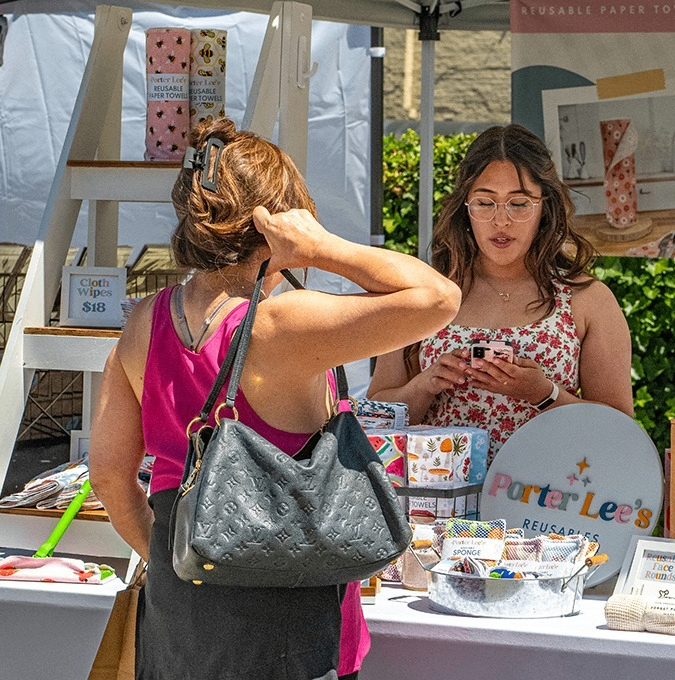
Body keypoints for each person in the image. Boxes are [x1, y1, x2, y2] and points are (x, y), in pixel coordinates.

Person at [89, 117, 461, 680]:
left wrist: (190, 553)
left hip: (179, 620)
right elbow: (438, 297)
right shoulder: (282, 322)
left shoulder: (144, 322)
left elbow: (111, 477)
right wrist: (324, 247)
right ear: (280, 221)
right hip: (288, 624)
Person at [368, 123, 633, 464]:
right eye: (485, 202)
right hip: (437, 507)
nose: (501, 221)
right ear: (465, 207)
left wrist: (545, 394)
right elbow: (376, 418)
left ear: (545, 207)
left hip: (546, 509)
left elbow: (620, 430)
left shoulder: (587, 300)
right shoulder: (424, 294)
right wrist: (424, 385)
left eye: (519, 204)